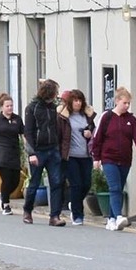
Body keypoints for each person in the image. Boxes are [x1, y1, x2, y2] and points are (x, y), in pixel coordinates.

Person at [90, 86, 136, 232]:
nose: (127, 106)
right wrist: (96, 157)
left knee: (118, 189)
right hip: (108, 158)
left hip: (125, 160)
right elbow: (97, 137)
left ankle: (111, 220)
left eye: (129, 103)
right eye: (124, 103)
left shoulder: (131, 119)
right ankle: (118, 216)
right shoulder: (106, 117)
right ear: (117, 101)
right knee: (114, 188)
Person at [22, 79, 66, 226]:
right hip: (38, 151)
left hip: (53, 149)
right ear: (49, 93)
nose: (56, 95)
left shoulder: (53, 108)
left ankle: (55, 216)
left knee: (57, 182)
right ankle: (27, 211)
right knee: (34, 183)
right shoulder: (32, 108)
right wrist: (31, 153)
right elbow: (28, 132)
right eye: (55, 92)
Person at [59, 88, 97, 226]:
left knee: (86, 184)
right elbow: (60, 135)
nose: (78, 103)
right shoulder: (64, 117)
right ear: (70, 102)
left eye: (80, 100)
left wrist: (89, 133)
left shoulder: (87, 116)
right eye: (75, 100)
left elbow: (94, 130)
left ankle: (74, 202)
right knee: (76, 184)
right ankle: (77, 215)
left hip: (85, 155)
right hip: (71, 156)